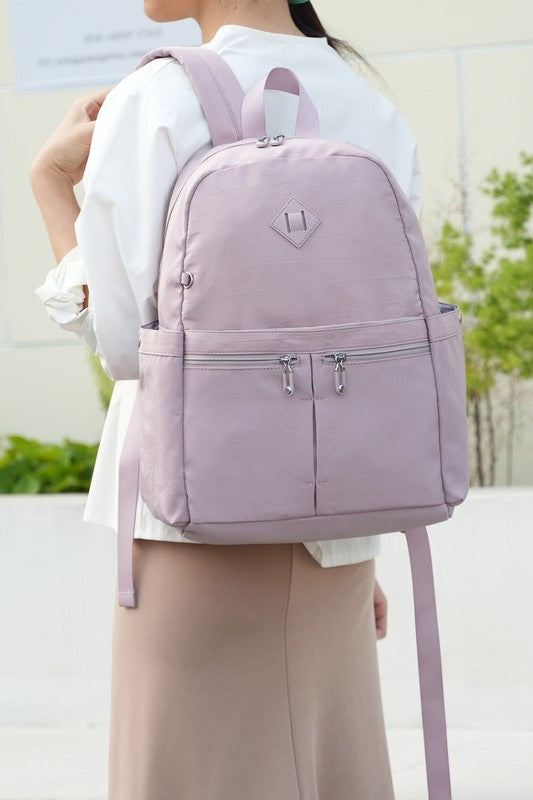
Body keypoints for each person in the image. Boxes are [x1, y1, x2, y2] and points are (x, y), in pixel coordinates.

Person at [31, 1, 423, 797]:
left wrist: (50, 188)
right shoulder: (363, 100)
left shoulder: (158, 97)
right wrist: (341, 529)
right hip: (340, 541)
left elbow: (121, 343)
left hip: (192, 529)